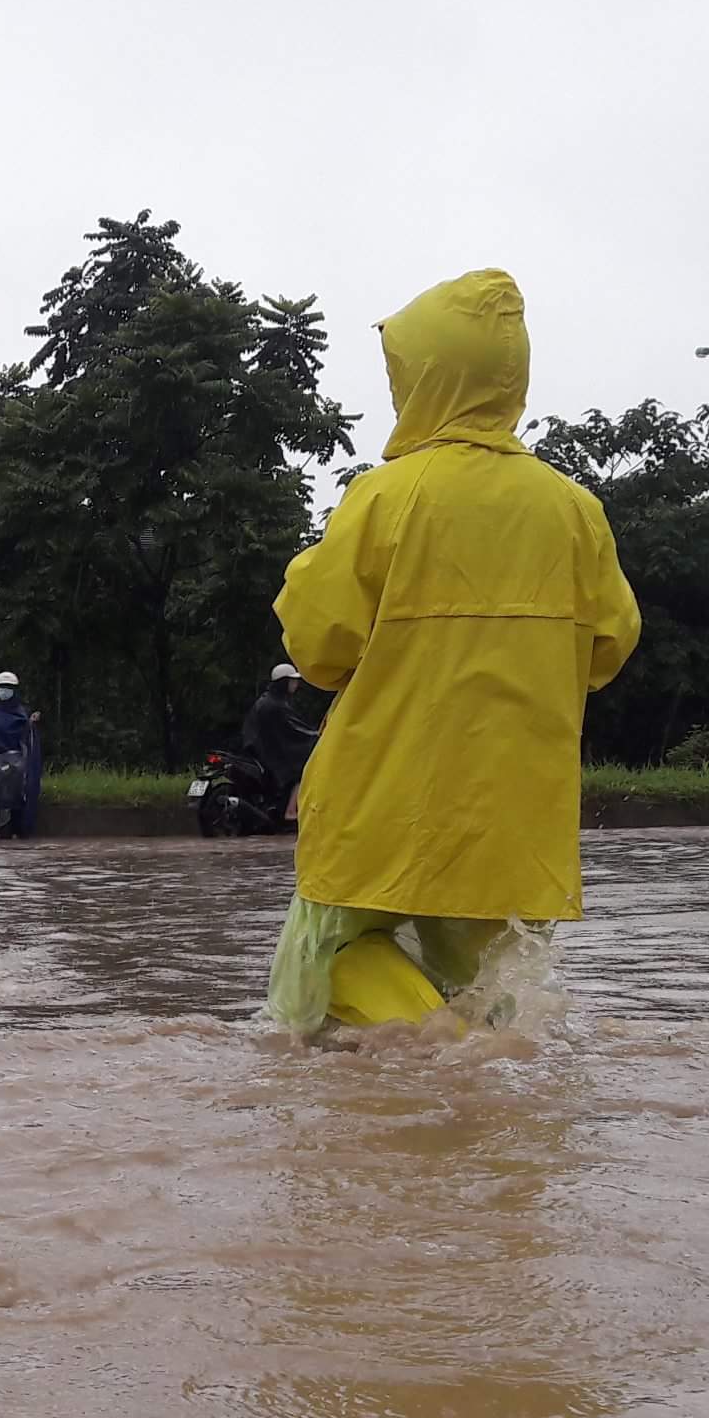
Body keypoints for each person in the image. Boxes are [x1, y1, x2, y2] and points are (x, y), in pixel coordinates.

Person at [264, 270, 639, 1035]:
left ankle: (439, 1051)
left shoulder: (386, 495)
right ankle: (480, 1103)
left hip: (381, 801)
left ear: (427, 378)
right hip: (512, 813)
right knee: (490, 988)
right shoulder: (575, 510)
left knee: (330, 965)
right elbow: (609, 649)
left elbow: (318, 649)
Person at [240, 663, 322, 819]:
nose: (296, 684)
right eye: (292, 681)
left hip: (258, 749)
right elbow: (294, 729)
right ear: (284, 682)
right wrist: (316, 735)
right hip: (269, 752)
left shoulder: (268, 701)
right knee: (302, 769)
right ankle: (292, 811)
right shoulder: (275, 705)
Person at [0, 670, 42, 839]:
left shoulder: (22, 713)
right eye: (1, 687)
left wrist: (31, 724)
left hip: (17, 763)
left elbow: (28, 739)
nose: (4, 691)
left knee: (17, 797)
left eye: (8, 688)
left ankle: (18, 830)